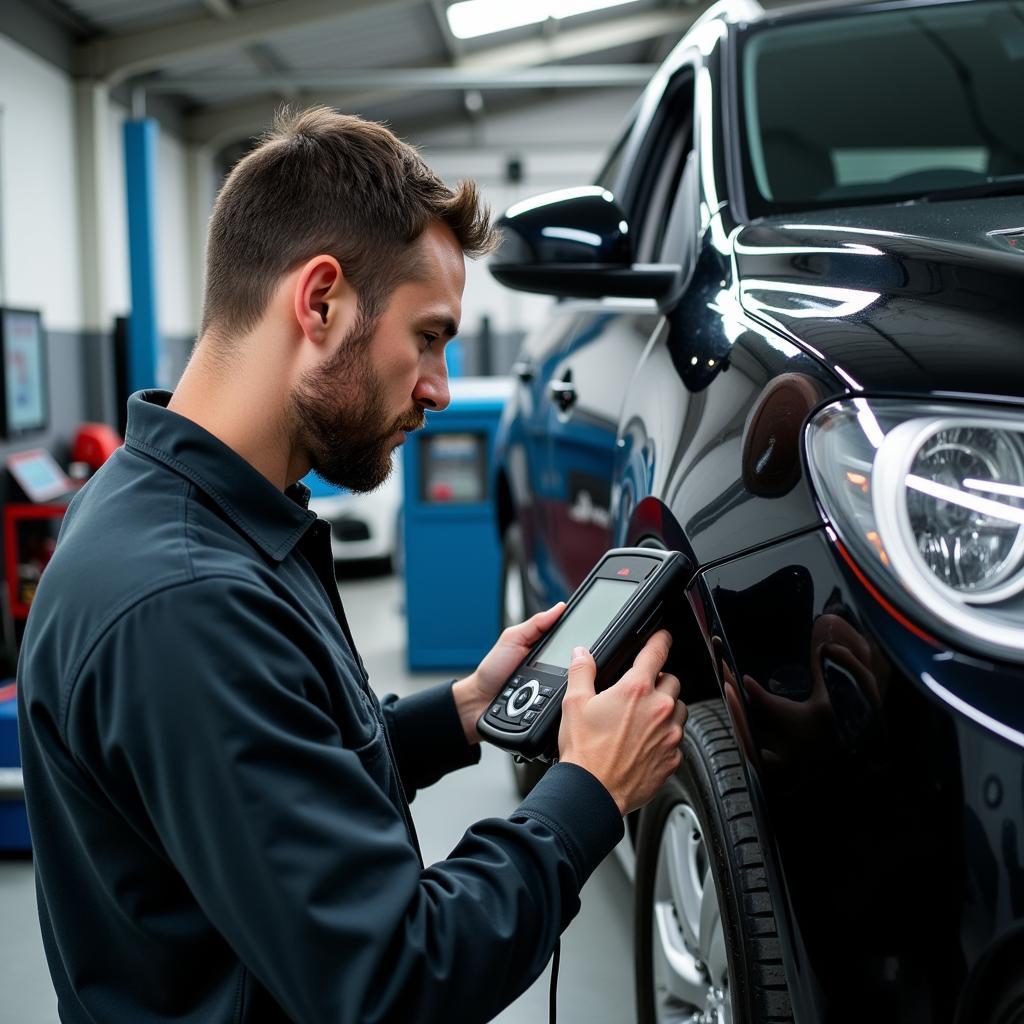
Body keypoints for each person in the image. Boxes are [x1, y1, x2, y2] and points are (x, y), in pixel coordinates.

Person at [17, 106, 686, 1024]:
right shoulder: (186, 601)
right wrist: (586, 795)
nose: (441, 389)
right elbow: (392, 981)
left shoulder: (183, 508)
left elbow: (270, 773)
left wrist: (455, 717)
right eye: (429, 336)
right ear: (320, 301)